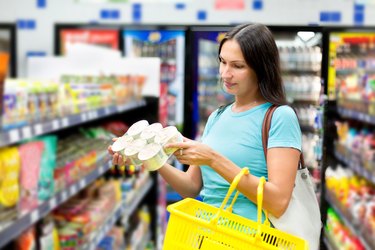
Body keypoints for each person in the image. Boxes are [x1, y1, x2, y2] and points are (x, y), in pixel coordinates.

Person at [108, 23, 301, 223]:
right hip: (207, 236)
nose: (225, 73)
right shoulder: (217, 117)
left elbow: (278, 203)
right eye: (223, 62)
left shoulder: (280, 117)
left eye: (237, 66)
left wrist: (212, 159)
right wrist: (148, 156)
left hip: (251, 240)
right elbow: (191, 187)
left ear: (261, 69)